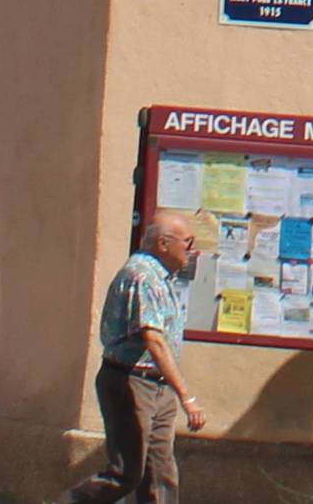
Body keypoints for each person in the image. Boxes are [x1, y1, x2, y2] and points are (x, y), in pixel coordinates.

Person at [69, 209, 202, 504]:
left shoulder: (162, 275)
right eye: (188, 242)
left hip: (157, 384)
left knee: (161, 472)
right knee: (126, 473)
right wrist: (187, 396)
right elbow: (153, 340)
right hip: (131, 381)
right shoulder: (143, 277)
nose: (193, 251)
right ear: (164, 244)